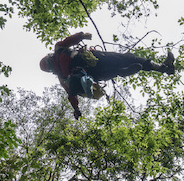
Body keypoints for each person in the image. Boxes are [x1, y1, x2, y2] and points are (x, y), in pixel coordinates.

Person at [39, 31, 175, 119]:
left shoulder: (62, 77)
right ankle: (161, 68)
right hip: (94, 59)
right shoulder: (58, 50)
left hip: (95, 75)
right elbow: (70, 40)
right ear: (48, 57)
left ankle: (121, 72)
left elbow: (72, 95)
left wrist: (76, 109)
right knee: (128, 58)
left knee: (115, 70)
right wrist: (82, 36)